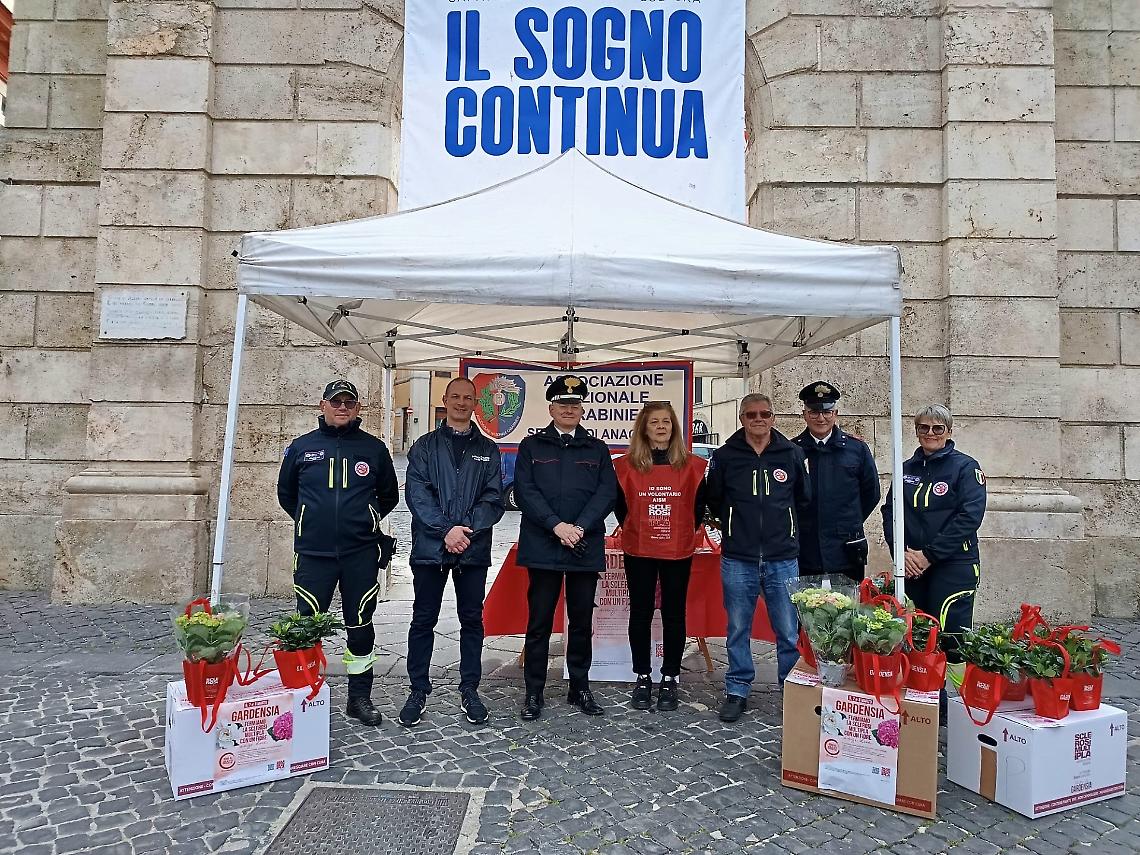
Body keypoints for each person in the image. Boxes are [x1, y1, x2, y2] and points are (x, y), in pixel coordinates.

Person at [277, 379, 400, 726]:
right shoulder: (301, 448)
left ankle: (359, 698)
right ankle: (303, 696)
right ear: (322, 405)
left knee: (360, 623)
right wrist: (310, 520)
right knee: (306, 624)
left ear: (358, 408)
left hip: (359, 552)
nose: (342, 407)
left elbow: (388, 494)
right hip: (314, 554)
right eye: (336, 402)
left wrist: (366, 518)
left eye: (349, 402)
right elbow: (287, 494)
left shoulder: (374, 449)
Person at [400, 377, 505, 727]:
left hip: (472, 550)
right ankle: (417, 689)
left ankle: (470, 688)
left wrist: (465, 532)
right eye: (455, 397)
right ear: (445, 400)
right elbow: (417, 494)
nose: (461, 403)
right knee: (423, 619)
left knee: (472, 621)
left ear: (476, 404)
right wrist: (446, 530)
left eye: (468, 398)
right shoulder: (424, 446)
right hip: (431, 548)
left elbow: (494, 499)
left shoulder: (487, 449)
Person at [514, 375, 617, 720]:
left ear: (582, 408)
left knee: (581, 621)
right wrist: (557, 526)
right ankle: (534, 692)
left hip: (582, 545)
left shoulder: (596, 448)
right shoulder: (532, 447)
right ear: (551, 408)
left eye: (575, 404)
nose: (569, 409)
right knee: (540, 621)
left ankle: (580, 687)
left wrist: (579, 528)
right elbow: (526, 492)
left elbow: (607, 493)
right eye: (563, 404)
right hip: (543, 543)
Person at [705, 393, 810, 722]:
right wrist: (736, 527)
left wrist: (786, 531)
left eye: (765, 413)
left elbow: (803, 498)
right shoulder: (725, 456)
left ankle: (790, 688)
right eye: (751, 414)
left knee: (788, 631)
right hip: (739, 556)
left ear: (773, 417)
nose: (758, 419)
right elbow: (714, 499)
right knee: (738, 627)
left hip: (782, 557)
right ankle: (737, 689)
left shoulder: (792, 453)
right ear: (742, 418)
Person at [882, 404, 986, 692]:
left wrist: (929, 555)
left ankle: (959, 701)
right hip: (913, 566)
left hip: (953, 566)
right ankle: (926, 698)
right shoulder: (906, 470)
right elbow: (890, 512)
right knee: (917, 635)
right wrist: (902, 554)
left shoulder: (965, 468)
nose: (930, 433)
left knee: (952, 637)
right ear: (916, 432)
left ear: (949, 432)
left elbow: (969, 518)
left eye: (937, 428)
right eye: (924, 428)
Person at [614, 402, 707, 712]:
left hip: (677, 551)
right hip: (639, 549)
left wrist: (678, 531)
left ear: (674, 427)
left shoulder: (692, 466)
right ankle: (643, 675)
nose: (661, 426)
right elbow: (620, 507)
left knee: (673, 613)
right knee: (640, 612)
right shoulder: (626, 466)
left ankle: (670, 677)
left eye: (666, 421)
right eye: (654, 422)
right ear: (644, 427)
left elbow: (697, 508)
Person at [791, 381, 881, 582]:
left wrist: (848, 521)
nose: (820, 418)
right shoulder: (793, 451)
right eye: (814, 412)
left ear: (835, 413)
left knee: (847, 610)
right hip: (807, 548)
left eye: (826, 412)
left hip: (846, 548)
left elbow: (871, 493)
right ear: (805, 414)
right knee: (807, 609)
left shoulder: (856, 449)